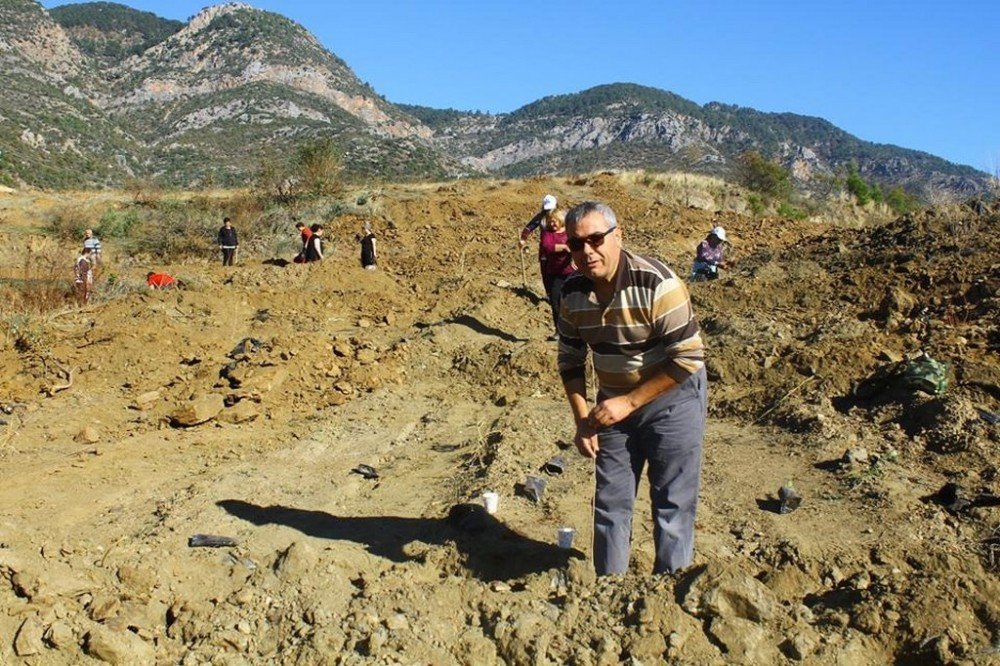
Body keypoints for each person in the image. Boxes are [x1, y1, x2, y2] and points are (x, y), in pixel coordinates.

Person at [557, 201, 707, 576]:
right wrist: (583, 421)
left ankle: (668, 595)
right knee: (610, 502)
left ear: (617, 236)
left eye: (596, 239)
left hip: (672, 397)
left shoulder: (657, 284)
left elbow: (689, 359)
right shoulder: (572, 292)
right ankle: (608, 595)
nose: (587, 251)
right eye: (577, 244)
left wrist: (631, 401)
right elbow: (570, 360)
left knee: (671, 503)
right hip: (614, 403)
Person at [539, 210, 574, 337]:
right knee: (555, 301)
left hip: (571, 272)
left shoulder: (569, 231)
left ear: (561, 220)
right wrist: (564, 247)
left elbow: (577, 245)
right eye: (550, 221)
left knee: (573, 301)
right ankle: (559, 331)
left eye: (554, 221)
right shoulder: (547, 233)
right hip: (555, 273)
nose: (552, 224)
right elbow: (546, 246)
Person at [519, 194, 562, 285]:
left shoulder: (562, 216)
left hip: (559, 247)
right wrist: (523, 239)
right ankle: (550, 293)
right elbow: (529, 228)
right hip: (545, 249)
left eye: (550, 209)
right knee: (545, 272)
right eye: (547, 209)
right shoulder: (541, 217)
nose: (548, 211)